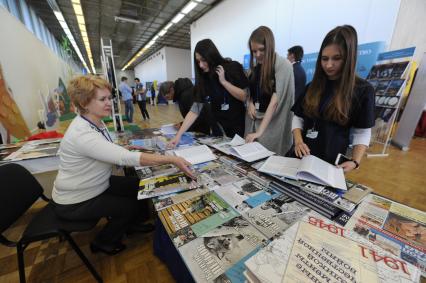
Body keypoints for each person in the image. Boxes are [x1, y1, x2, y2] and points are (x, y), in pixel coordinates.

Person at [51, 75, 194, 255]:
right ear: (84, 103)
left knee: (139, 185)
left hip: (95, 184)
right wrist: (173, 159)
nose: (109, 103)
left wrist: (123, 147)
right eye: (102, 99)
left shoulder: (95, 121)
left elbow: (103, 147)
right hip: (77, 199)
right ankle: (103, 242)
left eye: (109, 98)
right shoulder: (82, 133)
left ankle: (131, 225)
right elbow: (125, 158)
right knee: (127, 206)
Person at [290, 25, 375, 172]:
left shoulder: (363, 90)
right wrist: (298, 141)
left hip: (330, 164)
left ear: (349, 58)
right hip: (300, 158)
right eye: (324, 59)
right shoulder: (312, 86)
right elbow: (298, 117)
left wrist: (355, 161)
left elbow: (362, 132)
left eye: (337, 58)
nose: (329, 65)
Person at [168, 39, 249, 147]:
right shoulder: (204, 79)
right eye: (198, 61)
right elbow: (195, 109)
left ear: (211, 55)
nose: (200, 65)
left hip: (238, 128)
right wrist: (179, 135)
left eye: (203, 60)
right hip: (219, 131)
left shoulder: (232, 67)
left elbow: (245, 96)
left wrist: (224, 83)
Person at [245, 26, 294, 155]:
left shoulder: (283, 65)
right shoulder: (255, 67)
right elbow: (251, 92)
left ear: (270, 46)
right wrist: (249, 103)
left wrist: (260, 132)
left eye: (261, 50)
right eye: (254, 51)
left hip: (272, 124)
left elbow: (275, 101)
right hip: (253, 120)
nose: (257, 55)